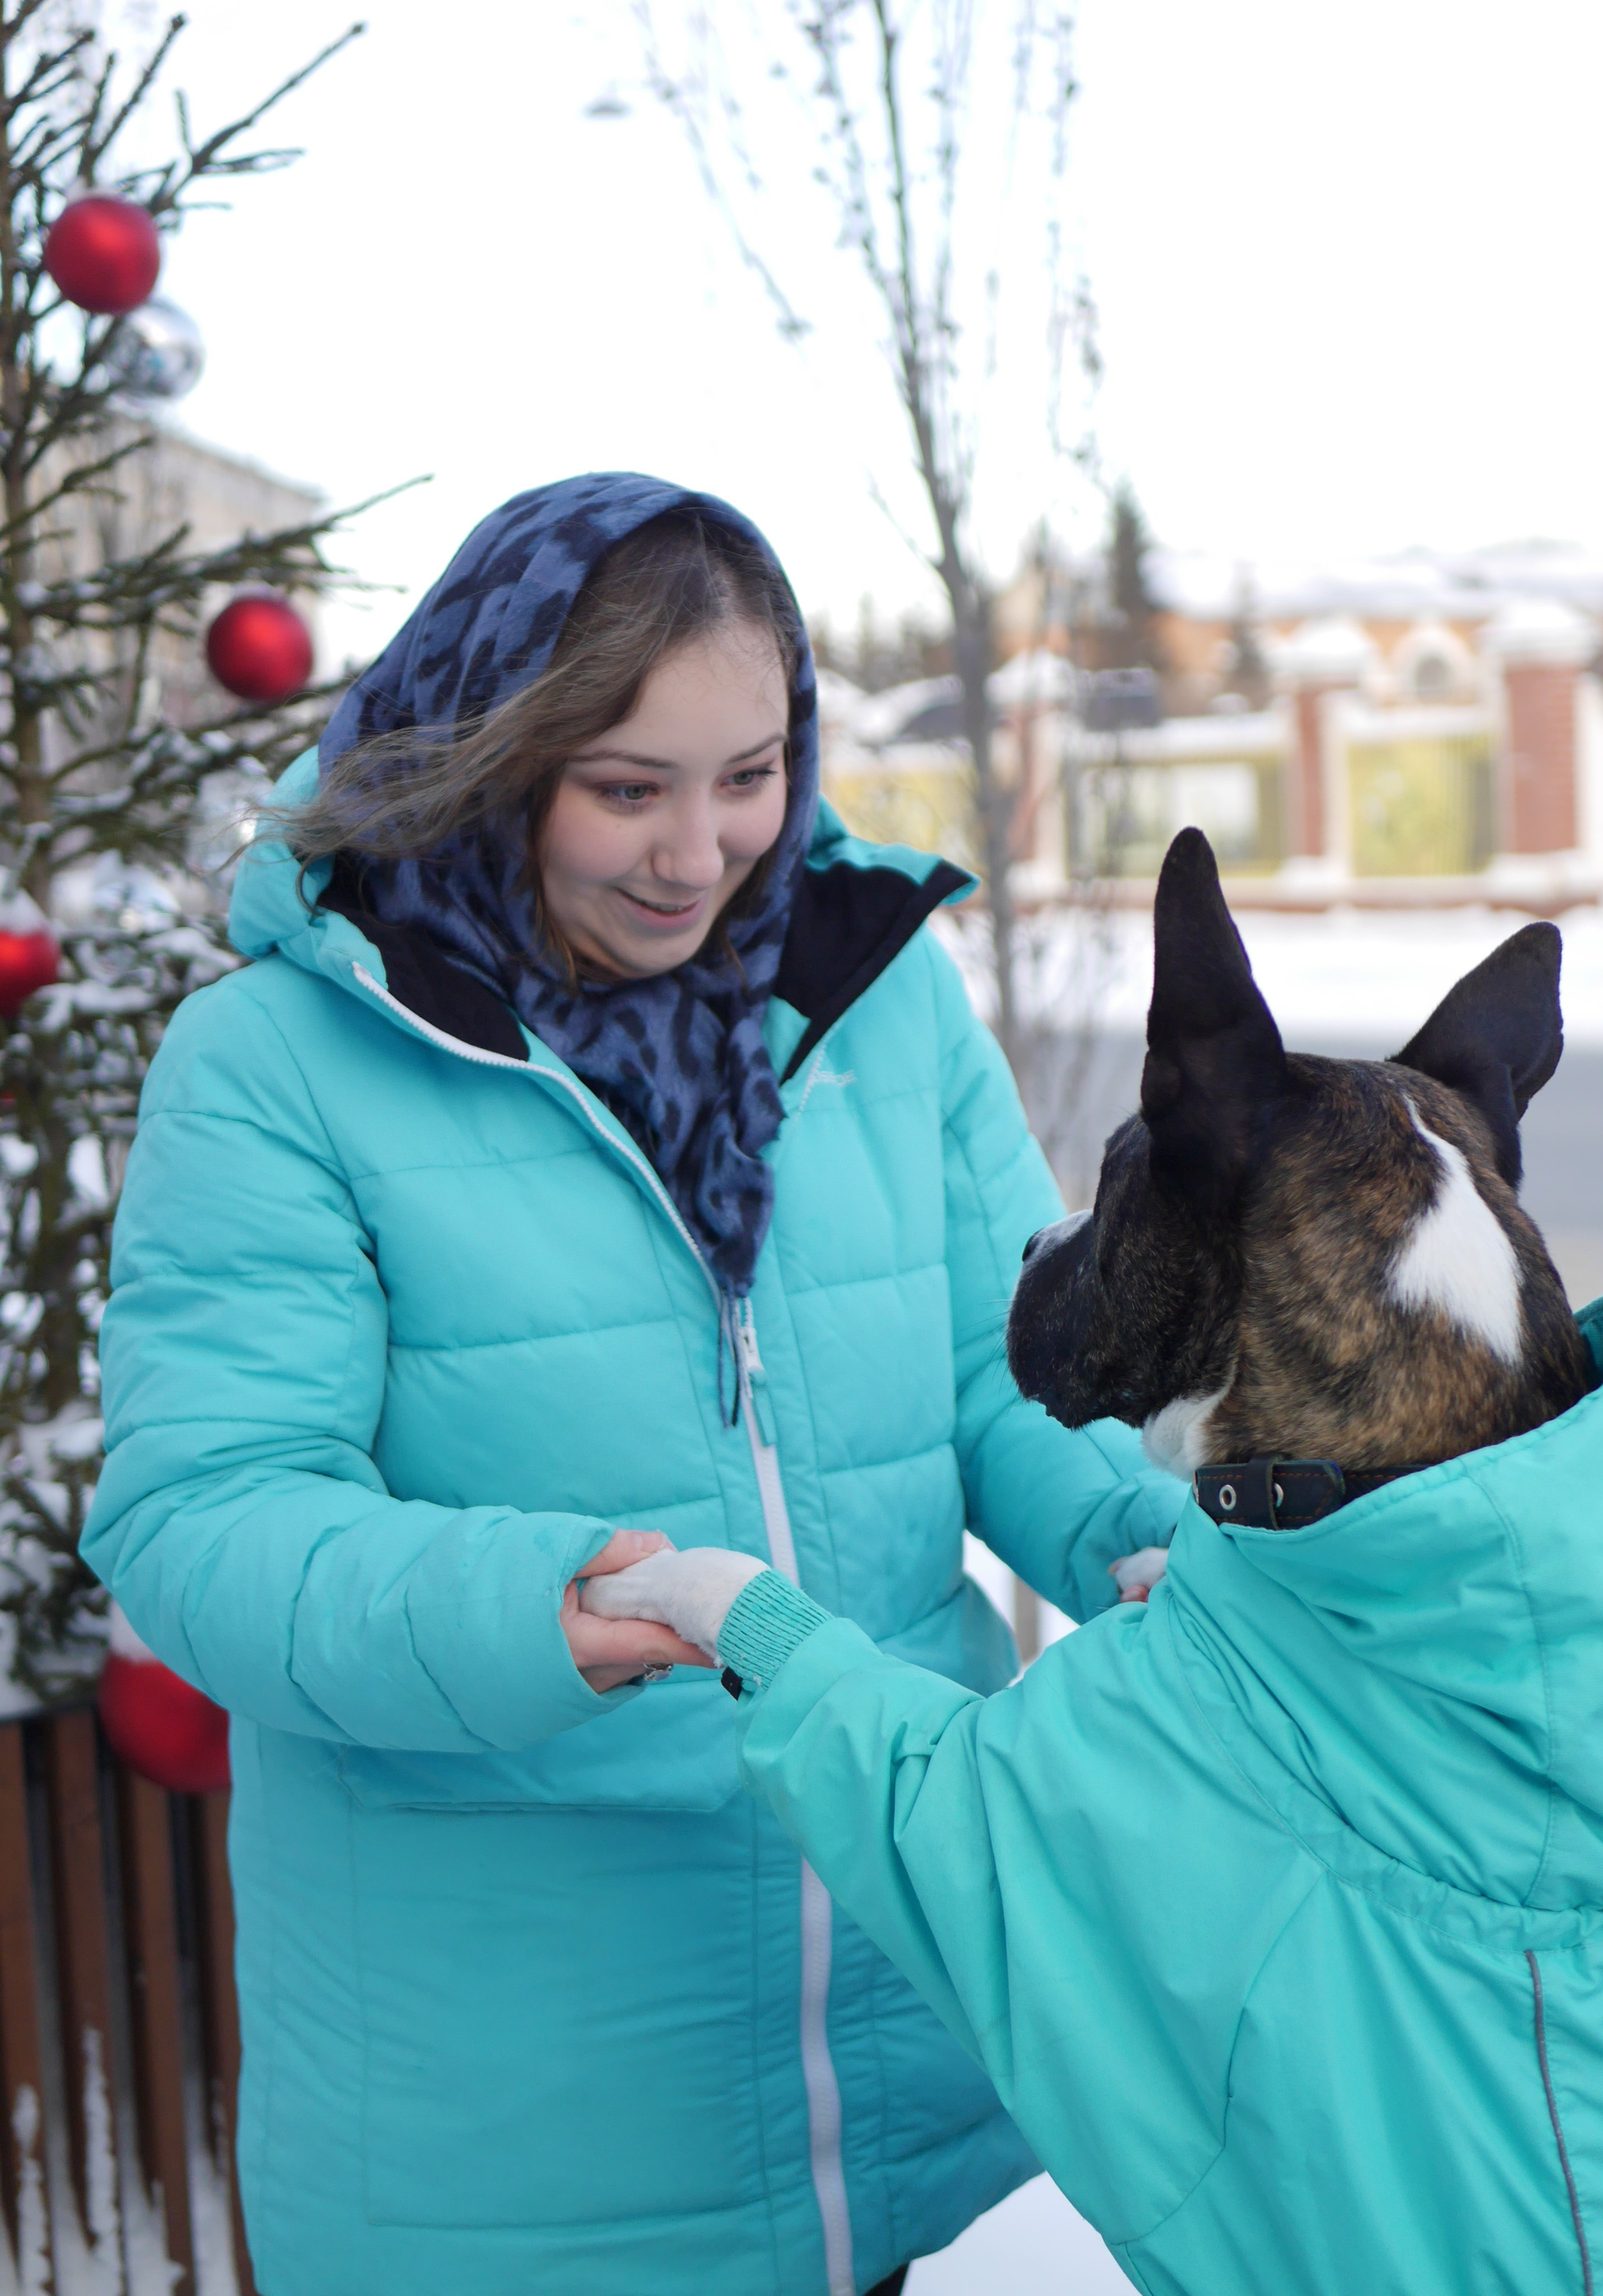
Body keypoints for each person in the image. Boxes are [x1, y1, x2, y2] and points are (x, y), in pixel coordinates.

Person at [83, 473, 1183, 2296]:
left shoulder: (875, 998)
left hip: (889, 2063)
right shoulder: (282, 1060)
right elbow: (201, 1516)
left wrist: (1161, 1541)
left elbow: (1014, 1383)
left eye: (750, 773)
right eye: (626, 787)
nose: (703, 851)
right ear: (489, 754)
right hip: (519, 2134)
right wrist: (548, 1605)